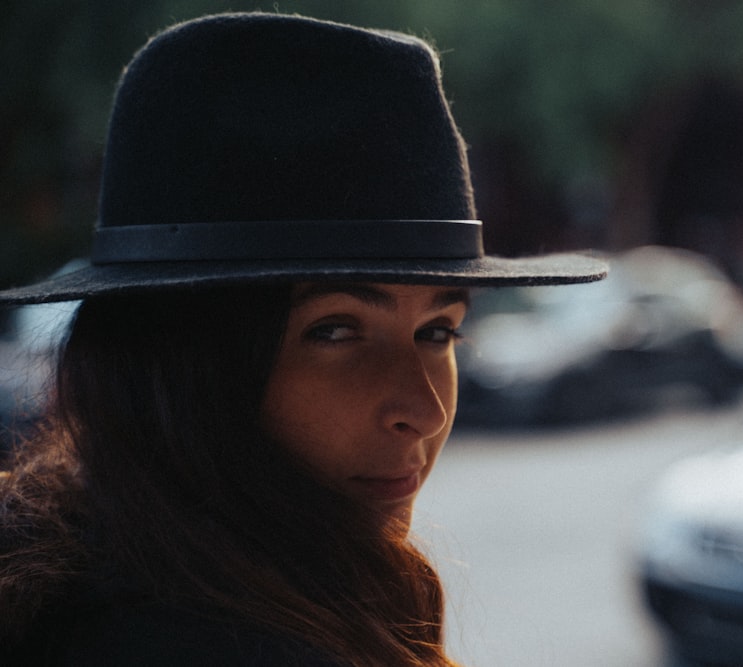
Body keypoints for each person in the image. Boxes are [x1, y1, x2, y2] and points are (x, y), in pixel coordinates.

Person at [0, 12, 606, 666]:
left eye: (438, 331)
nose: (424, 410)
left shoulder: (80, 545)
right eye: (337, 330)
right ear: (176, 363)